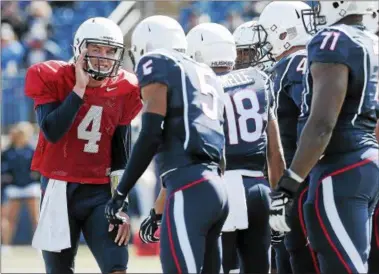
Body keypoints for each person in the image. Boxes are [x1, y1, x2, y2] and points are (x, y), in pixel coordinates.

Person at [104, 15, 228, 274]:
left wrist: (120, 192)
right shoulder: (204, 72)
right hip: (216, 188)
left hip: (189, 188)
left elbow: (150, 134)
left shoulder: (157, 61)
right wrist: (158, 210)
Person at [24, 17, 142, 274]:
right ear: (79, 49)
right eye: (96, 49)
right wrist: (79, 88)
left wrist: (122, 205)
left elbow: (122, 155)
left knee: (117, 266)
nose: (103, 57)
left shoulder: (126, 87)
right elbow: (52, 132)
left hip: (100, 191)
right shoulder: (52, 76)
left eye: (110, 51)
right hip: (58, 188)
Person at [269, 1, 379, 273]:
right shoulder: (371, 41)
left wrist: (287, 186)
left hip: (339, 168)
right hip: (367, 162)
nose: (316, 10)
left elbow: (321, 125)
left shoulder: (334, 40)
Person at [186, 22, 285, 274]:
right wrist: (280, 201)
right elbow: (275, 152)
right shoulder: (259, 79)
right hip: (259, 188)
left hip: (221, 188)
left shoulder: (201, 86)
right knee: (259, 267)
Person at [255, 2, 320, 273]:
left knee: (297, 256)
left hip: (299, 178)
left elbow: (312, 116)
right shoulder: (312, 60)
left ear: (283, 33)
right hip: (301, 176)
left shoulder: (294, 64)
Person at [1, 122, 39, 246]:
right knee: (11, 218)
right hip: (14, 187)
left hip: (30, 186)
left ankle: (40, 245)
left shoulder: (32, 150)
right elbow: (4, 169)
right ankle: (6, 245)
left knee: (35, 218)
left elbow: (38, 169)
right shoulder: (7, 151)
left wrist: (35, 175)